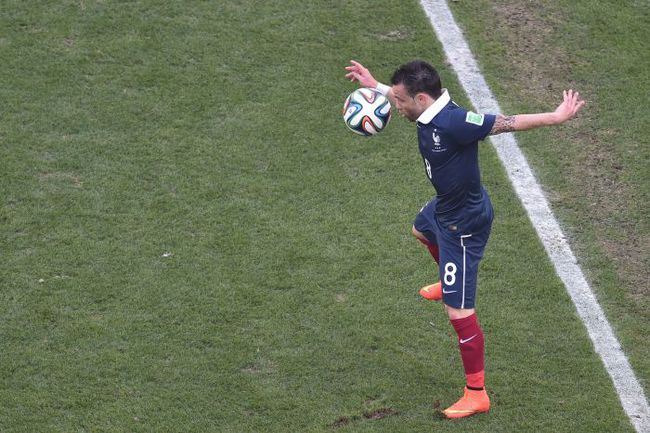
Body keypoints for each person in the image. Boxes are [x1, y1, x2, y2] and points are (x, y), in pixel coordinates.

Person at [344, 59, 585, 419]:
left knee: (459, 313)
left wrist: (555, 116)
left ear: (421, 99)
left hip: (462, 225)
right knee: (419, 229)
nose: (395, 106)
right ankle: (447, 281)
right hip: (446, 207)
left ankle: (476, 393)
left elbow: (508, 122)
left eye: (399, 100)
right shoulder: (428, 108)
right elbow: (403, 97)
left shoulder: (455, 122)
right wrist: (374, 85)